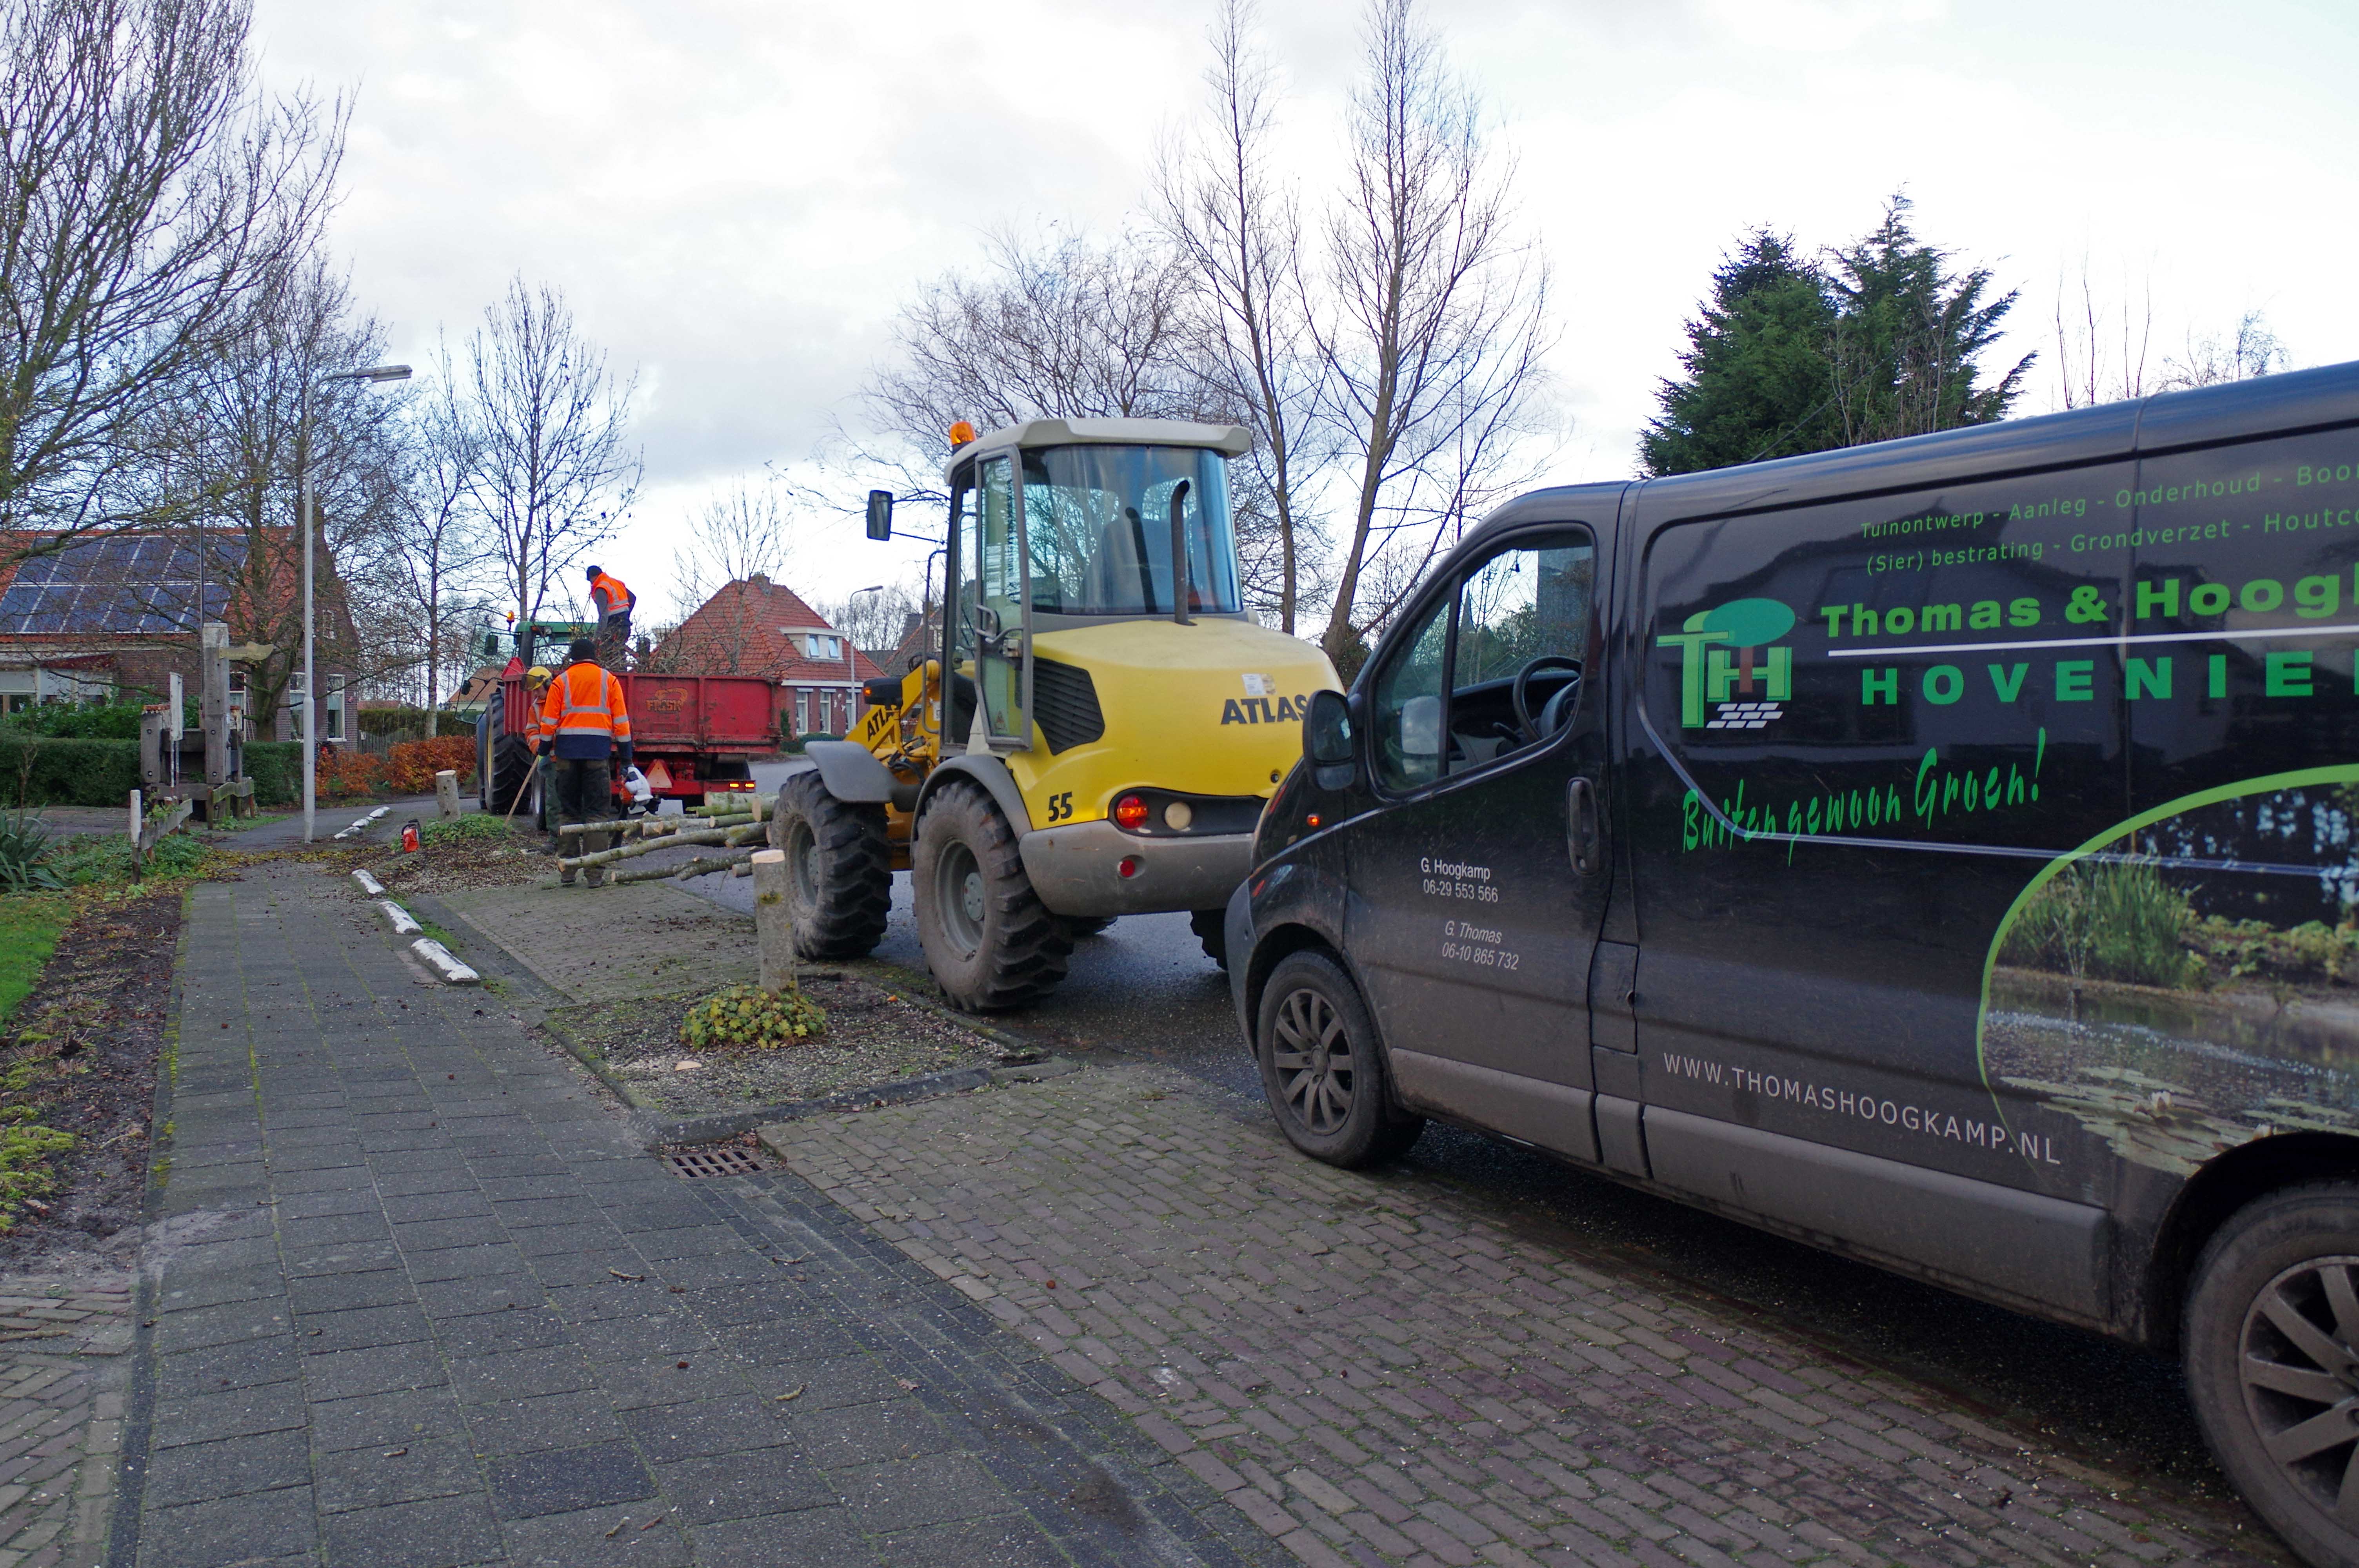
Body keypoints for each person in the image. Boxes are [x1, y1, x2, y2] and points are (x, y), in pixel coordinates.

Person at [538, 639, 632, 887]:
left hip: (567, 757)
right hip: (597, 756)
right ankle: (594, 875)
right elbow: (621, 722)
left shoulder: (561, 681)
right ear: (595, 656)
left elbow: (548, 722)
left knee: (567, 813)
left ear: (572, 657)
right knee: (597, 814)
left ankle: (568, 872)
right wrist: (627, 759)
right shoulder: (609, 680)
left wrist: (544, 750)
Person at [587, 565, 636, 669]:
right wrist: (625, 614)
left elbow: (603, 615)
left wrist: (597, 638)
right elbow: (633, 598)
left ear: (592, 577)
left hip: (613, 626)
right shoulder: (616, 583)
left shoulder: (600, 588)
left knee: (608, 657)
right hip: (625, 625)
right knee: (619, 654)